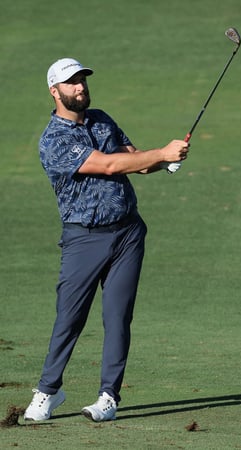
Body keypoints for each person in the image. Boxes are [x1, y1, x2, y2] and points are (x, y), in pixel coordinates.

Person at [24, 58, 189, 422]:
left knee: (117, 317)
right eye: (71, 83)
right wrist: (160, 154)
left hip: (128, 233)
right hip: (84, 237)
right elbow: (108, 165)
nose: (80, 86)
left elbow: (134, 162)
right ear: (55, 92)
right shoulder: (53, 139)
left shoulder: (102, 119)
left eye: (82, 79)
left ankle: (108, 397)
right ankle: (48, 391)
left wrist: (163, 159)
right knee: (69, 318)